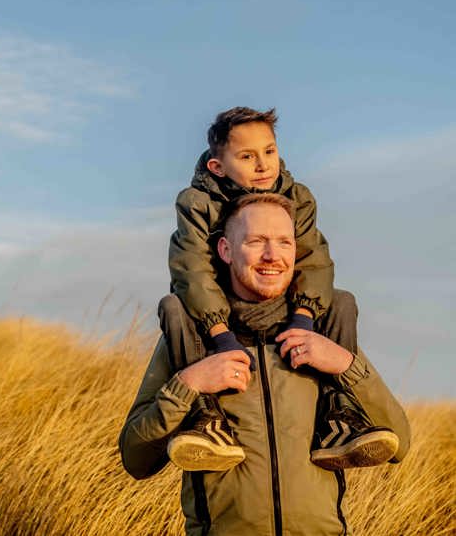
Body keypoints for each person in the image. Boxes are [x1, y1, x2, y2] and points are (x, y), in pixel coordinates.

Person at [120, 194, 410, 536]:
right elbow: (136, 459)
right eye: (256, 241)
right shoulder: (193, 338)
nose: (273, 256)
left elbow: (400, 444)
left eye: (284, 242)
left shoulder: (323, 336)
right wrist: (189, 385)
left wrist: (346, 365)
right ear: (226, 250)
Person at [161, 106, 386, 471]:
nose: (263, 165)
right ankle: (207, 417)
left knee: (343, 301)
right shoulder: (197, 203)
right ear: (218, 167)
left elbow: (314, 261)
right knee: (174, 306)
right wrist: (220, 334)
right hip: (223, 312)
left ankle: (338, 413)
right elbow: (192, 269)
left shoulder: (298, 198)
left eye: (269, 151)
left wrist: (303, 317)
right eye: (247, 156)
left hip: (280, 309)